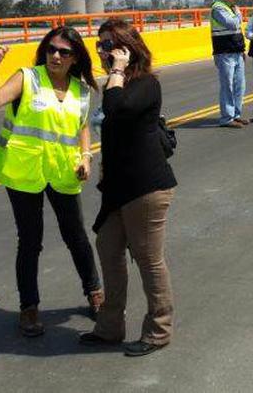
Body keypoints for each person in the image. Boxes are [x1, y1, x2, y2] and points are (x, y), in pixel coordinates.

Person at [0, 27, 103, 337]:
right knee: (30, 240)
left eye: (64, 51)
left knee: (76, 235)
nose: (56, 55)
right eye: (51, 49)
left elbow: (82, 127)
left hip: (63, 171)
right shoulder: (28, 77)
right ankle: (29, 307)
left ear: (75, 57)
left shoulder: (82, 91)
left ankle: (95, 292)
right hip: (25, 172)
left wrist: (86, 157)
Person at [80, 18, 178, 357]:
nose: (104, 52)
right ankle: (109, 327)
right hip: (117, 188)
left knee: (149, 259)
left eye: (110, 45)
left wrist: (118, 71)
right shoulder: (115, 83)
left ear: (127, 48)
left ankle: (158, 330)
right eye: (100, 45)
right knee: (108, 249)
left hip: (146, 186)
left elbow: (116, 108)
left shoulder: (147, 84)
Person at [210, 0, 248, 128]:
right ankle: (227, 118)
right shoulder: (218, 8)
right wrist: (238, 14)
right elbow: (232, 24)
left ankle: (236, 115)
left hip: (236, 51)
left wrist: (242, 50)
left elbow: (238, 29)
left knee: (240, 85)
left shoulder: (231, 8)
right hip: (225, 53)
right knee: (228, 86)